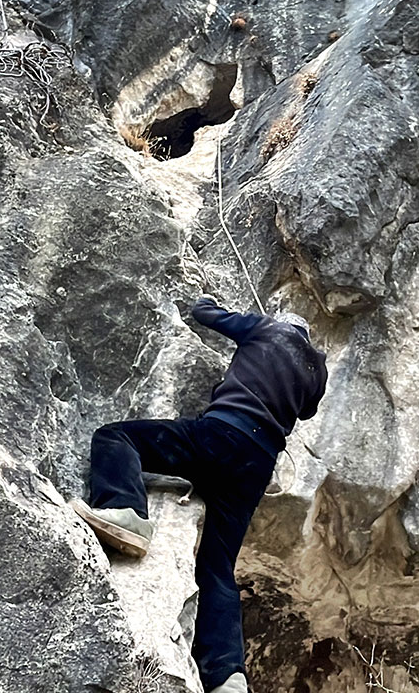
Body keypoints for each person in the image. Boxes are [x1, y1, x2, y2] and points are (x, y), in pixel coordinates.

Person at [69, 296, 328, 693]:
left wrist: (208, 300)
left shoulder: (267, 328)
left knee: (116, 437)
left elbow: (206, 315)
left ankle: (125, 510)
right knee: (218, 568)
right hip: (256, 466)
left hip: (222, 434)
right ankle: (228, 677)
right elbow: (307, 411)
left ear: (283, 323)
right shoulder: (316, 369)